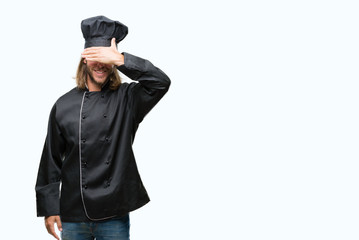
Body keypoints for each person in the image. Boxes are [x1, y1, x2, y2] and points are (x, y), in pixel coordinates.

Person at [35, 15, 170, 240]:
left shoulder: (128, 99)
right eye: (95, 56)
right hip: (73, 214)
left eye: (105, 58)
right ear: (84, 59)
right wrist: (49, 209)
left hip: (114, 214)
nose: (101, 64)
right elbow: (51, 159)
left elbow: (161, 82)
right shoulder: (63, 105)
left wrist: (122, 59)